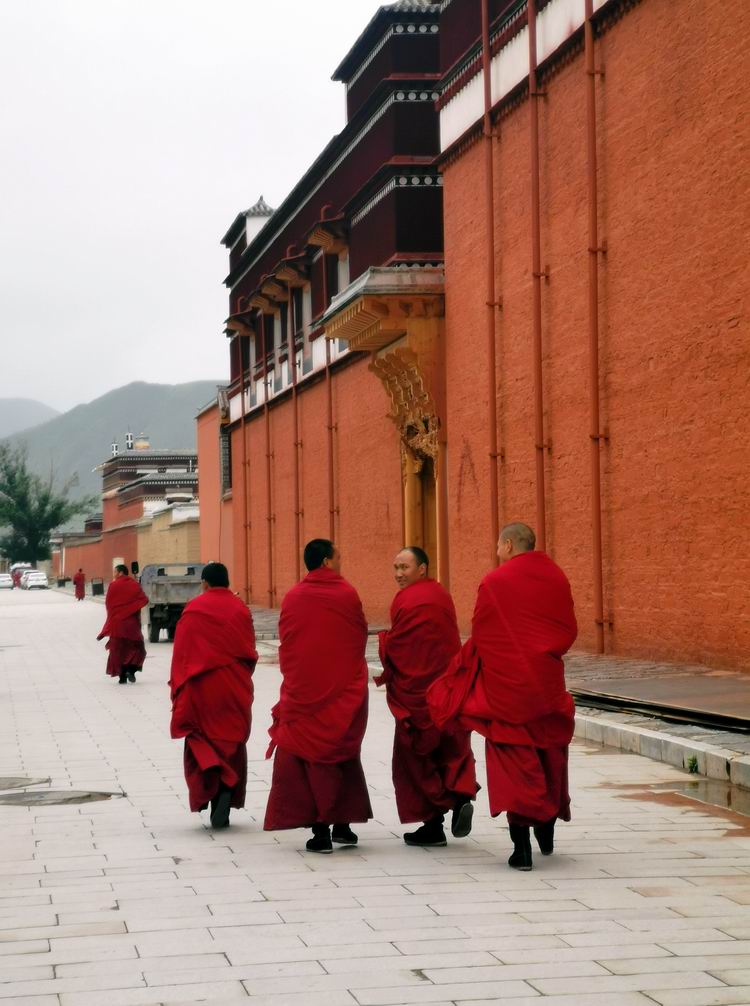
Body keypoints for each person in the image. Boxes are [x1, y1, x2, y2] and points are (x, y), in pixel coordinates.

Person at [428, 522, 577, 871]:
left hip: (507, 686)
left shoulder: (495, 583)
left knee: (513, 759)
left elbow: (483, 632)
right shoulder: (557, 577)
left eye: (498, 546)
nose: (497, 553)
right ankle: (547, 828)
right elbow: (568, 630)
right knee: (548, 754)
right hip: (546, 681)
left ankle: (521, 849)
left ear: (508, 545)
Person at [264, 538, 372, 853]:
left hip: (305, 691)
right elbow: (358, 637)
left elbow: (289, 643)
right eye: (338, 557)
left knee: (309, 759)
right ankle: (342, 825)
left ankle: (321, 831)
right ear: (326, 561)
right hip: (342, 690)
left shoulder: (294, 597)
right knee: (341, 754)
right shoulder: (346, 594)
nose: (341, 562)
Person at [376, 546, 478, 847]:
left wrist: (386, 643)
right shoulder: (441, 595)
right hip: (446, 689)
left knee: (416, 754)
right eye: (395, 567)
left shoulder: (405, 600)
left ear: (422, 568)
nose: (398, 574)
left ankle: (433, 825)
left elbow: (400, 645)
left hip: (416, 693)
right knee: (451, 744)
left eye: (404, 568)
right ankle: (461, 795)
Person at [169, 562, 257, 829]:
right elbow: (250, 653)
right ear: (227, 582)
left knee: (201, 738)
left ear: (205, 583)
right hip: (232, 685)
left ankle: (213, 787)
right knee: (230, 740)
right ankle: (227, 786)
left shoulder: (194, 609)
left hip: (201, 688)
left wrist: (177, 686)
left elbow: (182, 654)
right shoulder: (240, 608)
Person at [97, 564, 148, 683]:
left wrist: (113, 617)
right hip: (132, 623)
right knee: (135, 647)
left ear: (120, 573)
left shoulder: (113, 585)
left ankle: (122, 676)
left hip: (117, 623)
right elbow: (143, 599)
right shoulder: (135, 584)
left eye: (115, 572)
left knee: (118, 650)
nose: (113, 574)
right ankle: (131, 670)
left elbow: (109, 604)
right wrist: (132, 610)